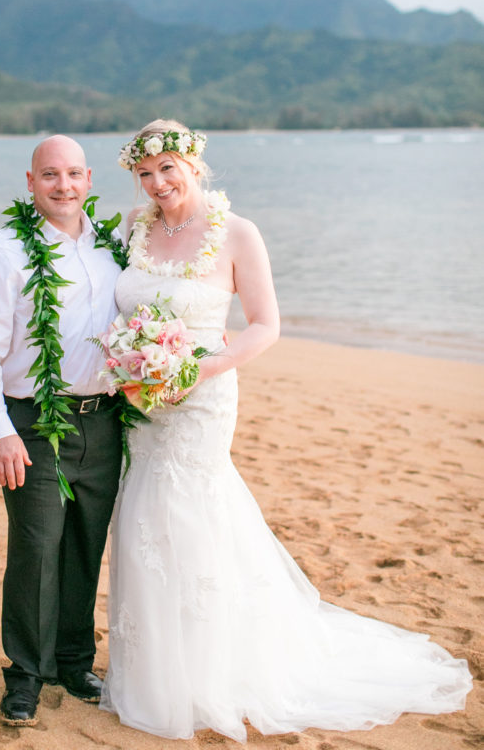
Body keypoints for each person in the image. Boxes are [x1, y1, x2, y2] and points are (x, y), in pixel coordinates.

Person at [100, 119, 472, 742]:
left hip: (201, 399)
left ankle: (211, 673)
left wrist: (198, 370)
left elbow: (265, 326)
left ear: (195, 165)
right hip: (142, 399)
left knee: (188, 511)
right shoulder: (132, 229)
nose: (157, 183)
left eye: (168, 167)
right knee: (139, 513)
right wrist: (132, 363)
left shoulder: (238, 234)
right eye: (145, 172)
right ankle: (153, 672)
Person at [0, 135, 124, 728]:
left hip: (104, 420)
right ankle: (25, 674)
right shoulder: (0, 254)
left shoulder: (112, 248)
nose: (64, 185)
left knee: (84, 544)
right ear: (30, 183)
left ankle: (74, 662)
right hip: (31, 423)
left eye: (74, 173)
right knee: (35, 548)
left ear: (89, 178)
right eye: (50, 174)